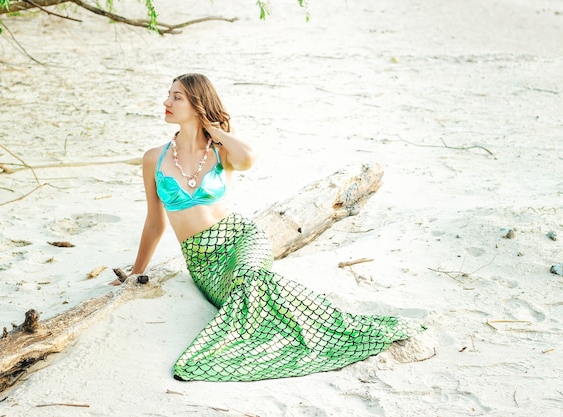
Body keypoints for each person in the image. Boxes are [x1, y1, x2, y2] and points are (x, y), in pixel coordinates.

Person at [112, 73, 424, 382]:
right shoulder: (155, 158)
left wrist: (210, 127)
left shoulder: (222, 152)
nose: (166, 102)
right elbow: (155, 222)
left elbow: (249, 156)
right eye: (168, 95)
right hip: (203, 262)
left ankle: (331, 328)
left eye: (176, 97)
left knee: (250, 276)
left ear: (197, 104)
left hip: (242, 237)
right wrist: (135, 273)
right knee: (244, 293)